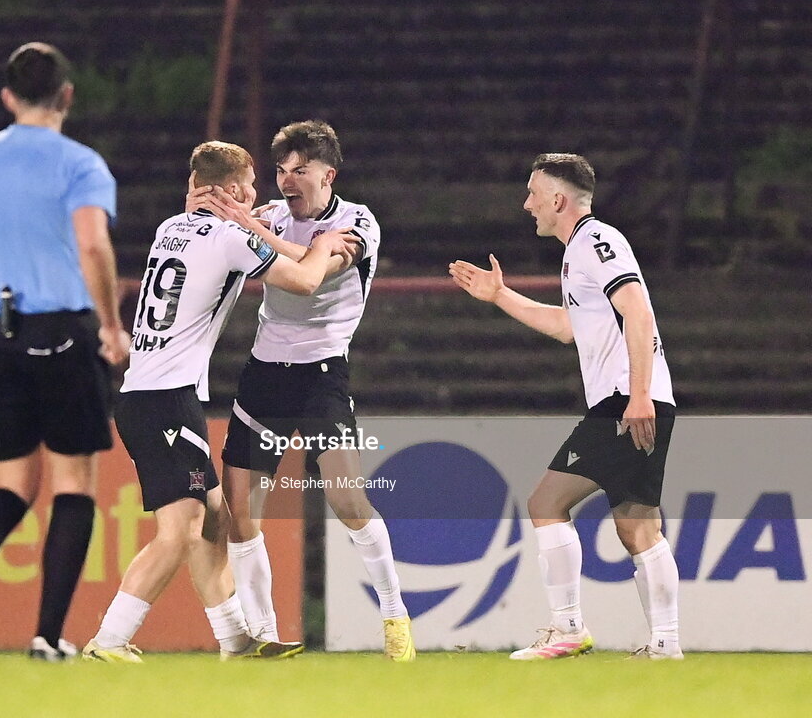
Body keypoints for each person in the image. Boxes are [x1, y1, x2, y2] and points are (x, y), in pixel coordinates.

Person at [81, 141, 359, 662]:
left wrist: (239, 220)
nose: (256, 197)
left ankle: (236, 640)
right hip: (165, 401)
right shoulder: (229, 238)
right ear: (231, 190)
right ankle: (110, 639)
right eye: (251, 187)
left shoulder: (171, 226)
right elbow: (302, 280)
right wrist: (323, 243)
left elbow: (217, 231)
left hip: (153, 395)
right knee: (181, 531)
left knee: (214, 521)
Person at [0, 42, 131, 662]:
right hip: (61, 330)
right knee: (73, 484)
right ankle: (46, 638)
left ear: (8, 97)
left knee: (11, 486)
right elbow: (93, 245)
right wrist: (112, 326)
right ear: (67, 95)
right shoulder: (81, 163)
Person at [191, 120, 416, 661]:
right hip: (265, 374)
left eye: (300, 171)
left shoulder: (357, 222)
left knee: (346, 497)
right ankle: (264, 635)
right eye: (280, 171)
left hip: (321, 376)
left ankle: (393, 614)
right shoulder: (265, 217)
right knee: (241, 510)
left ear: (328, 175)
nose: (287, 181)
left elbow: (315, 267)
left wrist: (249, 229)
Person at [449, 153, 681, 660]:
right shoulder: (580, 251)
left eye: (533, 193)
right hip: (638, 398)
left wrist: (638, 396)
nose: (527, 203)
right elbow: (566, 328)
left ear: (558, 199)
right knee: (638, 524)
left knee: (545, 504)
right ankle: (666, 645)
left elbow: (638, 312)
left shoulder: (597, 242)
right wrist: (501, 296)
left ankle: (568, 627)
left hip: (625, 401)